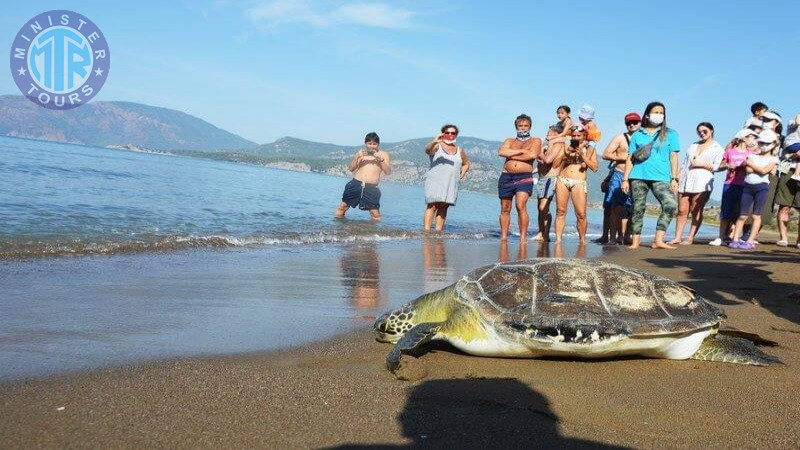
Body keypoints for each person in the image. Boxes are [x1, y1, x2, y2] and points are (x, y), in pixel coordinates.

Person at [621, 101, 680, 250]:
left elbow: (674, 156)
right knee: (638, 208)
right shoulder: (637, 134)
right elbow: (630, 158)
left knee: (671, 205)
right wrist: (625, 179)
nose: (659, 115)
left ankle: (658, 240)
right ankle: (635, 241)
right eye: (656, 112)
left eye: (661, 113)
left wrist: (674, 178)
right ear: (647, 114)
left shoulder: (671, 134)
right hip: (638, 175)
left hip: (661, 177)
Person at [668, 122, 724, 245]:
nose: (701, 133)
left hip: (702, 181)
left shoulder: (717, 148)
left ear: (712, 131)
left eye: (705, 131)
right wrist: (676, 178)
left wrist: (703, 164)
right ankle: (677, 237)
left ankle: (690, 237)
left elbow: (719, 166)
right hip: (686, 179)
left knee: (696, 209)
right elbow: (684, 163)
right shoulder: (693, 145)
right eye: (699, 131)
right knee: (682, 210)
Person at [730, 129, 780, 249]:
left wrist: (753, 165)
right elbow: (750, 170)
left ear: (774, 144)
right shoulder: (752, 155)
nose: (763, 146)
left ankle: (750, 240)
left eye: (767, 143)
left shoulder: (774, 159)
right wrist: (760, 168)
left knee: (756, 216)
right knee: (742, 215)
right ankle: (735, 239)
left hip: (762, 188)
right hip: (747, 187)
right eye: (761, 143)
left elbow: (764, 170)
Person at [549, 124, 598, 243]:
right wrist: (565, 154)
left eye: (578, 135)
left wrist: (582, 155)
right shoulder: (566, 146)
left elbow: (595, 167)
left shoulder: (590, 149)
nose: (575, 138)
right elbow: (556, 164)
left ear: (584, 135)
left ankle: (582, 239)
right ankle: (558, 239)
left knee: (581, 213)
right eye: (574, 135)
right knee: (560, 211)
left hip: (579, 181)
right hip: (563, 179)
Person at [709, 129, 758, 246]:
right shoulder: (730, 152)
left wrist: (744, 166)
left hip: (745, 186)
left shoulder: (752, 154)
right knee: (725, 211)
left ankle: (733, 237)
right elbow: (720, 166)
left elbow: (755, 169)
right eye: (751, 137)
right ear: (743, 137)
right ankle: (720, 237)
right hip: (729, 184)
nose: (753, 140)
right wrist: (727, 165)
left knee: (740, 213)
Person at [498, 114, 541, 242]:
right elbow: (501, 152)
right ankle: (504, 237)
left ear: (530, 126)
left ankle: (523, 237)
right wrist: (521, 151)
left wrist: (512, 154)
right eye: (520, 126)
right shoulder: (509, 140)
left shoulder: (535, 141)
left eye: (525, 126)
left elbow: (532, 155)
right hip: (506, 176)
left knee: (520, 205)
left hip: (524, 177)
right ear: (516, 126)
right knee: (505, 208)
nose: (523, 128)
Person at [599, 112, 640, 244]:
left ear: (640, 123)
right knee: (613, 208)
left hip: (636, 177)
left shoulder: (644, 139)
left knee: (632, 209)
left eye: (634, 122)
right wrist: (623, 157)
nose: (631, 125)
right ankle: (611, 238)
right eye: (628, 123)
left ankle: (626, 236)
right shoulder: (620, 138)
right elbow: (605, 154)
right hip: (618, 174)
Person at [423, 124, 471, 232]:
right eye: (447, 132)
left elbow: (466, 163)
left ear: (456, 135)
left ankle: (438, 232)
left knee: (444, 206)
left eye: (453, 133)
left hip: (451, 182)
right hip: (435, 181)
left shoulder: (459, 150)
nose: (450, 135)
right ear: (443, 133)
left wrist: (461, 174)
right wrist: (435, 141)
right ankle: (426, 232)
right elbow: (427, 150)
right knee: (432, 205)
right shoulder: (437, 146)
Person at [334, 132, 391, 220]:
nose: (372, 146)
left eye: (374, 144)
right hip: (356, 183)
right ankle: (338, 231)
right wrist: (357, 157)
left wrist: (381, 160)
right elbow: (351, 168)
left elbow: (387, 172)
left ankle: (374, 233)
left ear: (378, 144)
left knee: (375, 214)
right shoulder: (361, 153)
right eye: (369, 143)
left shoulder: (383, 154)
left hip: (372, 187)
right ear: (365, 143)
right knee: (342, 207)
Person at [533, 110, 569, 243]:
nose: (547, 134)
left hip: (550, 178)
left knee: (543, 207)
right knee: (540, 208)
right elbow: (543, 161)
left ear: (556, 133)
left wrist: (538, 151)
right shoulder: (548, 144)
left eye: (549, 132)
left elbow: (548, 160)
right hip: (542, 178)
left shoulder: (558, 144)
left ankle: (546, 234)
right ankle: (541, 233)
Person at [774, 113, 800, 247]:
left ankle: (799, 240)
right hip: (788, 169)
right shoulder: (793, 124)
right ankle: (783, 237)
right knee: (784, 206)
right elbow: (797, 120)